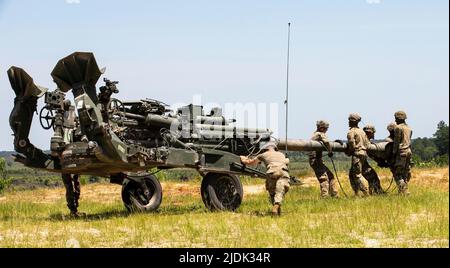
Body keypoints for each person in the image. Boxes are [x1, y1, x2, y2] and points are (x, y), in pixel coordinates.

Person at [240, 142, 290, 216]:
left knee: (272, 192)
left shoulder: (263, 155)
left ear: (265, 149)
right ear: (275, 148)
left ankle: (276, 210)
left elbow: (250, 162)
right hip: (283, 172)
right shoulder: (281, 154)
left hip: (272, 172)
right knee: (281, 191)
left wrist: (242, 158)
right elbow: (287, 162)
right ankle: (276, 208)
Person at [309, 120, 338, 198]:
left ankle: (334, 194)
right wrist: (330, 151)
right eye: (326, 128)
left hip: (317, 159)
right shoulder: (320, 134)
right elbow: (326, 142)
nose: (327, 130)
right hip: (316, 159)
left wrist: (335, 142)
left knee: (330, 176)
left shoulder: (315, 134)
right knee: (324, 178)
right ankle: (325, 197)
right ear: (322, 128)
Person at [346, 113, 370, 197]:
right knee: (352, 174)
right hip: (363, 153)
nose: (348, 122)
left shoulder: (351, 132)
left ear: (352, 121)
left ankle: (366, 193)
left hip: (357, 154)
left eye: (349, 120)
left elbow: (352, 144)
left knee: (357, 175)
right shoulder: (362, 132)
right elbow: (367, 144)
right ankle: (356, 193)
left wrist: (349, 152)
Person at [392, 111, 413, 195]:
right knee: (405, 174)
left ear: (398, 118)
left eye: (396, 118)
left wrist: (393, 152)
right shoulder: (409, 128)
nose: (395, 120)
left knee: (397, 174)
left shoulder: (398, 128)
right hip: (408, 151)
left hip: (401, 152)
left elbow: (396, 141)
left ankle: (404, 191)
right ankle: (402, 192)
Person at [362, 125, 385, 195]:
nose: (373, 134)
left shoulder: (365, 140)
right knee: (373, 178)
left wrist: (380, 162)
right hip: (361, 163)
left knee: (373, 177)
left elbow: (371, 154)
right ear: (370, 133)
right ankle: (377, 193)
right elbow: (371, 153)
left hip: (362, 162)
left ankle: (375, 193)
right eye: (373, 133)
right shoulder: (365, 141)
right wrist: (381, 162)